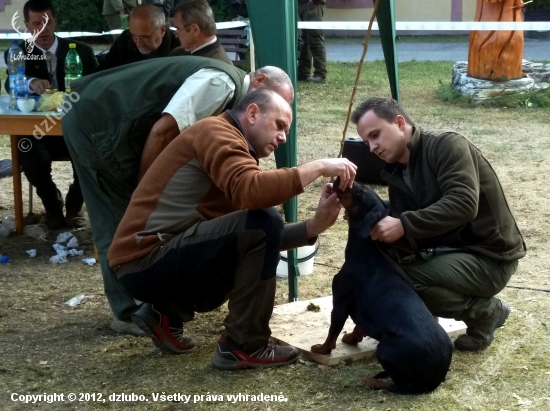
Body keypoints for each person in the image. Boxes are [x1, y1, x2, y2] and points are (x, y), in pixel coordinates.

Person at [108, 89, 357, 369]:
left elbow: (256, 236)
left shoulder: (230, 144)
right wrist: (320, 166)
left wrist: (314, 226)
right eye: (279, 125)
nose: (283, 137)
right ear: (252, 113)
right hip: (143, 261)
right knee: (263, 220)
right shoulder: (217, 132)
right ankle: (244, 344)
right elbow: (254, 199)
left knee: (258, 227)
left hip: (150, 260)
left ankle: (166, 313)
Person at [62, 56, 294, 336]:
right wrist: (147, 192)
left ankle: (160, 309)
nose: (277, 123)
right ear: (257, 83)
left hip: (122, 129)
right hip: (95, 121)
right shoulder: (220, 84)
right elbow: (164, 131)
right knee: (115, 216)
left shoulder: (234, 117)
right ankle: (128, 312)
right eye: (272, 105)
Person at [351, 97, 527, 352]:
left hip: (491, 257)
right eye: (367, 141)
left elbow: (464, 204)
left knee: (400, 280)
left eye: (375, 135)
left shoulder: (446, 144)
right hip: (452, 251)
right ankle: (425, 322)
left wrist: (403, 224)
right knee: (386, 269)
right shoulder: (396, 171)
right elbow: (407, 229)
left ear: (400, 123)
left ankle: (485, 313)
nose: (372, 147)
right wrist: (363, 216)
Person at [3, 0, 97, 229]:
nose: (42, 30)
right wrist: (30, 82)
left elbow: (97, 86)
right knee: (25, 149)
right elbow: (10, 83)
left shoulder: (81, 51)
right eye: (36, 24)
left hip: (76, 128)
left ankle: (75, 204)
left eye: (47, 23)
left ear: (55, 21)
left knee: (94, 151)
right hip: (39, 131)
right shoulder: (18, 53)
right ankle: (51, 206)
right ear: (26, 25)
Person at [95, 4, 178, 72]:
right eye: (134, 37)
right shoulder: (125, 39)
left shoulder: (179, 46)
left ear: (162, 30)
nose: (139, 44)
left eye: (145, 37)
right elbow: (103, 72)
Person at [169, 0, 233, 65]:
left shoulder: (220, 67)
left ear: (195, 30)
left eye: (178, 29)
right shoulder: (177, 53)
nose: (176, 35)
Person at [297, 0, 327, 84]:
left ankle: (320, 74)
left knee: (315, 38)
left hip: (313, 4)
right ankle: (303, 72)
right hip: (300, 4)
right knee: (303, 39)